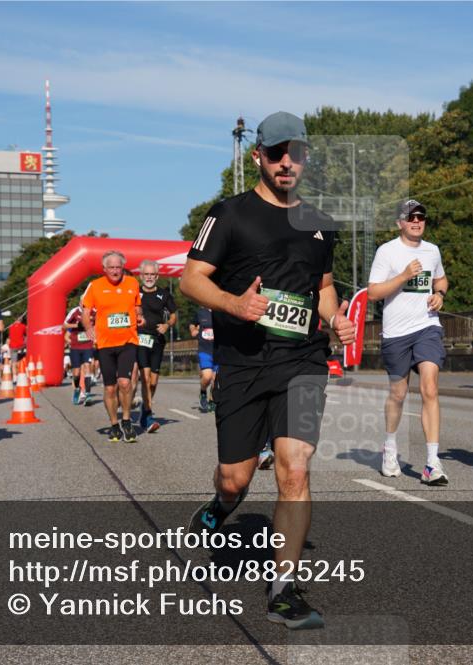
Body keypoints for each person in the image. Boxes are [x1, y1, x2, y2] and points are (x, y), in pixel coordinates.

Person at [180, 111, 354, 630]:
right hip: (244, 363)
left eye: (295, 153)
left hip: (302, 362)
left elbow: (322, 286)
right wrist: (234, 305)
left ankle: (284, 589)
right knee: (236, 479)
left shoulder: (320, 223)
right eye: (277, 152)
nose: (286, 162)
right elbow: (191, 280)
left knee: (295, 469)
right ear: (258, 155)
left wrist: (336, 317)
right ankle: (220, 504)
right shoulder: (229, 214)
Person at [367, 199, 449, 486]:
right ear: (399, 222)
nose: (417, 221)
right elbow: (374, 293)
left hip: (427, 326)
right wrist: (403, 276)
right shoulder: (387, 251)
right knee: (398, 394)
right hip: (396, 332)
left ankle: (432, 463)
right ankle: (390, 446)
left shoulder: (432, 250)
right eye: (410, 217)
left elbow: (441, 280)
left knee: (429, 386)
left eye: (421, 217)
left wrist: (440, 294)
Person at [81, 250, 144, 443]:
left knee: (125, 383)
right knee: (110, 388)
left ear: (122, 267)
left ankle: (126, 420)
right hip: (105, 343)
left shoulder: (132, 282)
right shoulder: (95, 286)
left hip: (128, 340)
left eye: (118, 267)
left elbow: (137, 306)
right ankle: (114, 424)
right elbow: (85, 311)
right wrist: (89, 327)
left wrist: (140, 315)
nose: (115, 271)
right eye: (111, 268)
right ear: (104, 269)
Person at [135, 260, 177, 432]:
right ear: (141, 275)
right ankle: (149, 413)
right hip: (141, 338)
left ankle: (144, 410)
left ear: (157, 276)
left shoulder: (164, 295)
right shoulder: (135, 293)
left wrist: (167, 325)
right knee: (144, 378)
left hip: (158, 340)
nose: (149, 277)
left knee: (153, 382)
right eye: (146, 274)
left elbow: (174, 315)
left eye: (152, 274)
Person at [63, 305, 94, 405]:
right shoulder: (74, 312)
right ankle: (77, 389)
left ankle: (88, 394)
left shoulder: (93, 311)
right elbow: (64, 327)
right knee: (76, 373)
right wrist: (77, 326)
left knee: (87, 367)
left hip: (88, 346)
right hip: (76, 347)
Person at [189, 306, 218, 412]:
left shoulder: (221, 312)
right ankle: (203, 392)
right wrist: (193, 330)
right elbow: (192, 323)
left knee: (216, 380)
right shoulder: (201, 312)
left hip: (218, 351)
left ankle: (212, 401)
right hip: (204, 350)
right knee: (207, 376)